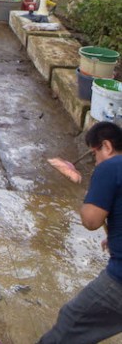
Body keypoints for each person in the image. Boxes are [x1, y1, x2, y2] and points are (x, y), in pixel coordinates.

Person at [38, 121, 122, 344]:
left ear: (106, 146)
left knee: (73, 320)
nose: (96, 162)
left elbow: (91, 221)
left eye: (95, 155)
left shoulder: (110, 167)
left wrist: (91, 196)